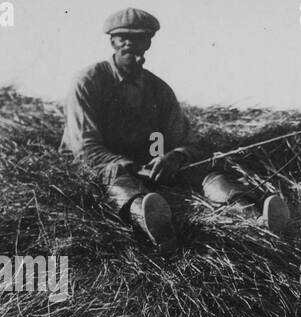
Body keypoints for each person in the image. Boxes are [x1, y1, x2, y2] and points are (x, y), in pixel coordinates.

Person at [60, 8, 289, 249]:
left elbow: (187, 142)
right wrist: (126, 164)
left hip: (146, 167)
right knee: (115, 174)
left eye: (139, 39)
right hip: (101, 165)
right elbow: (84, 148)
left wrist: (174, 157)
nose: (131, 45)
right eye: (124, 39)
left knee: (202, 170)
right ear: (112, 41)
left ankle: (254, 217)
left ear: (148, 43)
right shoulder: (88, 82)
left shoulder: (159, 90)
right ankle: (156, 226)